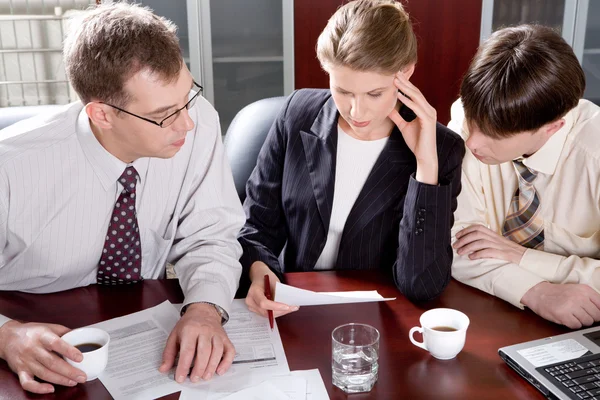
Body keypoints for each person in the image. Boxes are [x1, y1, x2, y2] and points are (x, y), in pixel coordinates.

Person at [0, 3, 245, 394]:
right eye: (165, 113)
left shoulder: (197, 123)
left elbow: (211, 234)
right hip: (33, 336)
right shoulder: (9, 166)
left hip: (142, 333)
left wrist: (205, 308)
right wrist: (6, 336)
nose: (187, 123)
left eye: (188, 96)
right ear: (102, 115)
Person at [239, 0, 465, 319]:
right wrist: (261, 276)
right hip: (292, 308)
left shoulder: (443, 149)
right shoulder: (297, 114)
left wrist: (426, 168)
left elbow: (421, 284)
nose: (357, 112)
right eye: (343, 90)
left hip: (376, 320)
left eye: (374, 94)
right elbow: (257, 226)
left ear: (406, 72)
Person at [449, 24, 600, 329]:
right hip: (490, 310)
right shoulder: (475, 114)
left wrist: (521, 257)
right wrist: (537, 292)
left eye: (494, 134)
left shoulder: (594, 155)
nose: (472, 142)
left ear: (552, 127)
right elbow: (453, 246)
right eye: (472, 122)